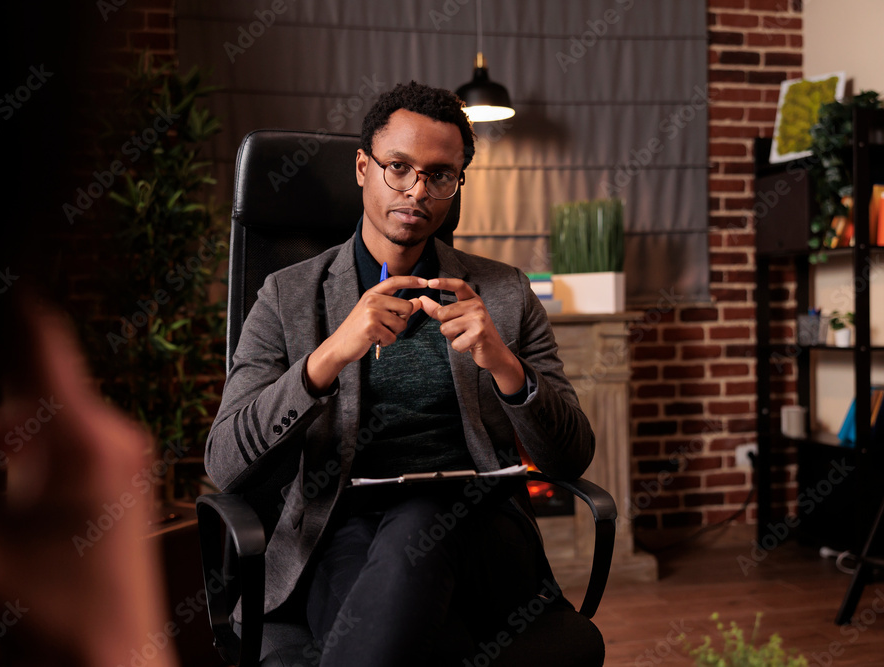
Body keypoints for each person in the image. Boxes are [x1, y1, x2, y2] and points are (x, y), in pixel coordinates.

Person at [206, 81, 604, 665]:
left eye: (441, 175)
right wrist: (330, 354)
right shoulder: (287, 296)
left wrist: (503, 363)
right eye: (399, 168)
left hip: (484, 533)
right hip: (341, 527)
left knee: (424, 516)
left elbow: (571, 456)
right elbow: (225, 463)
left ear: (458, 184)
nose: (417, 191)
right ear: (364, 168)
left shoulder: (504, 293)